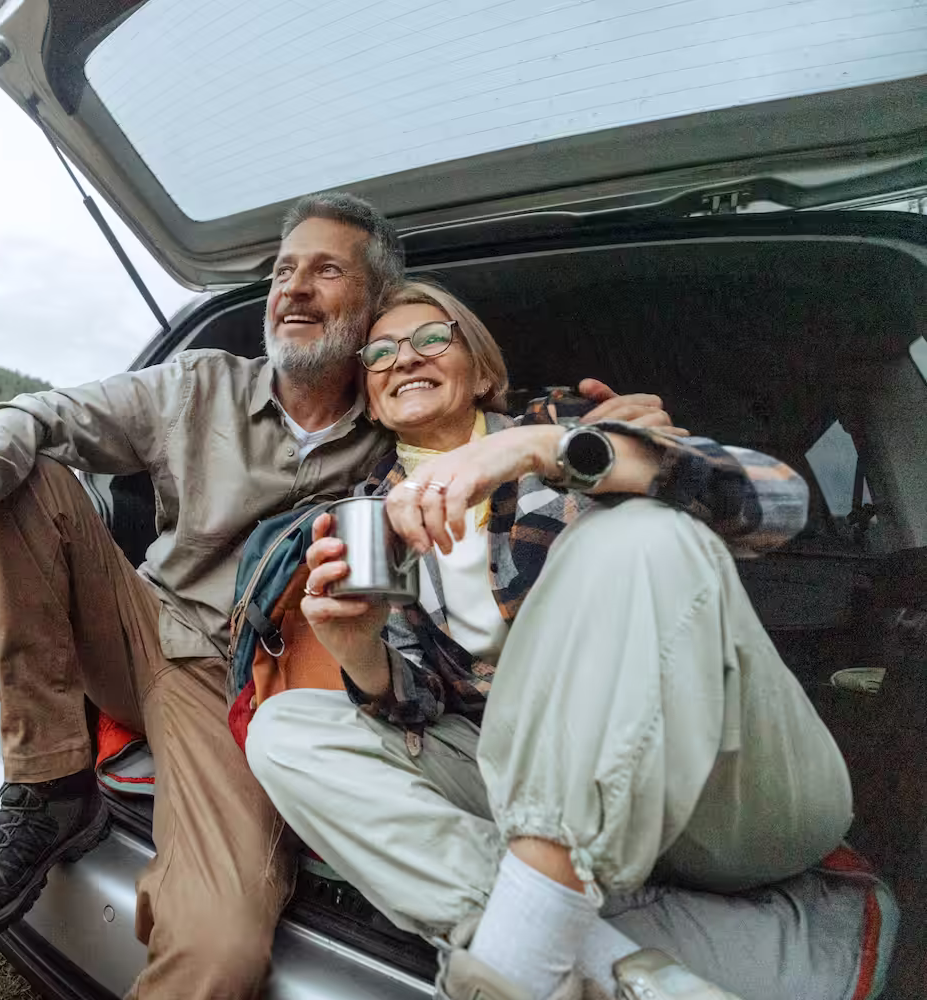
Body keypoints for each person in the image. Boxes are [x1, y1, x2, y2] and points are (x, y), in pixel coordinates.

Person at [0, 196, 676, 999]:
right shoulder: (197, 384)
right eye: (284, 271)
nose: (294, 289)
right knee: (28, 471)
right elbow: (24, 416)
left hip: (249, 689)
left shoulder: (399, 419)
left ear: (374, 307)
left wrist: (591, 434)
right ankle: (48, 787)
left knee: (217, 950)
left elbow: (480, 417)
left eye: (327, 271)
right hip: (142, 624)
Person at [244, 281, 858, 1000]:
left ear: (481, 370)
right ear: (372, 401)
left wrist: (546, 448)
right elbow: (421, 705)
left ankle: (523, 954)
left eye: (431, 338)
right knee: (284, 729)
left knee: (638, 533)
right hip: (530, 787)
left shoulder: (579, 427)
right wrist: (359, 651)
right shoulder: (378, 514)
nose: (404, 358)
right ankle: (589, 946)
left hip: (713, 788)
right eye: (379, 353)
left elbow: (779, 503)